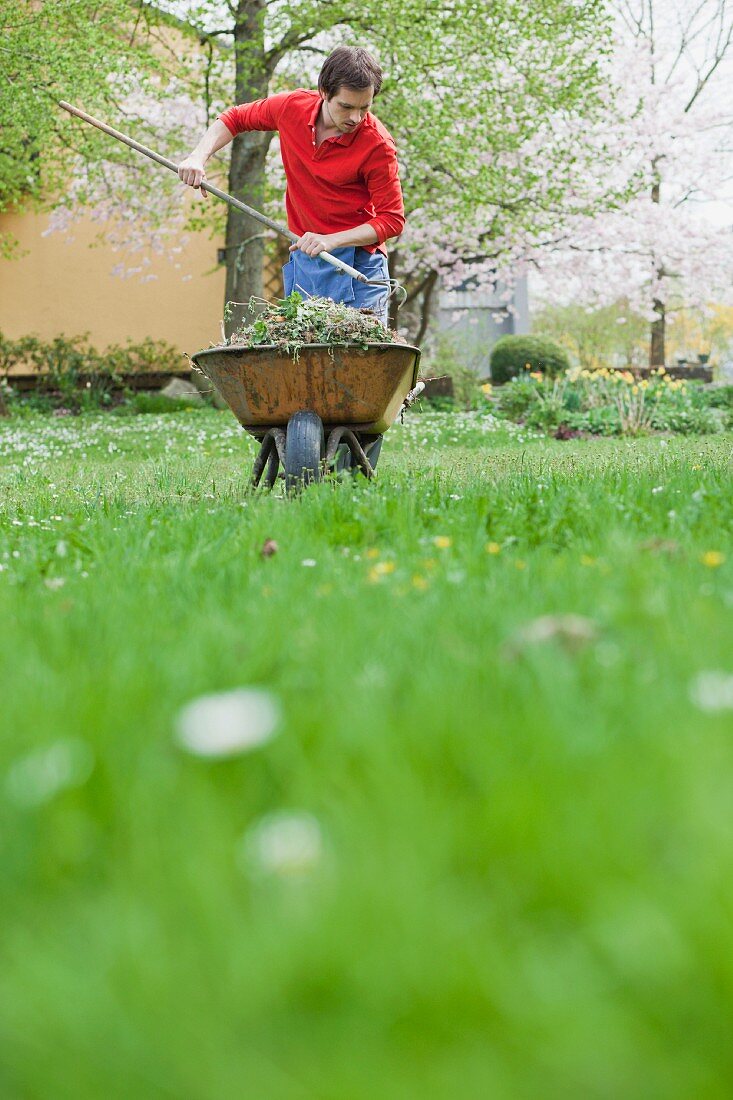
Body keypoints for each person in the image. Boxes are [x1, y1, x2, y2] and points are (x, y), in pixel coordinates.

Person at [178, 46, 405, 327]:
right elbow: (234, 118)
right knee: (304, 360)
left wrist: (331, 239)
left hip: (358, 265)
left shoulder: (377, 145)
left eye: (364, 107)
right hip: (306, 257)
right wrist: (198, 156)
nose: (355, 118)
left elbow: (392, 220)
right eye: (346, 106)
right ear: (324, 91)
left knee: (359, 362)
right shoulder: (292, 108)